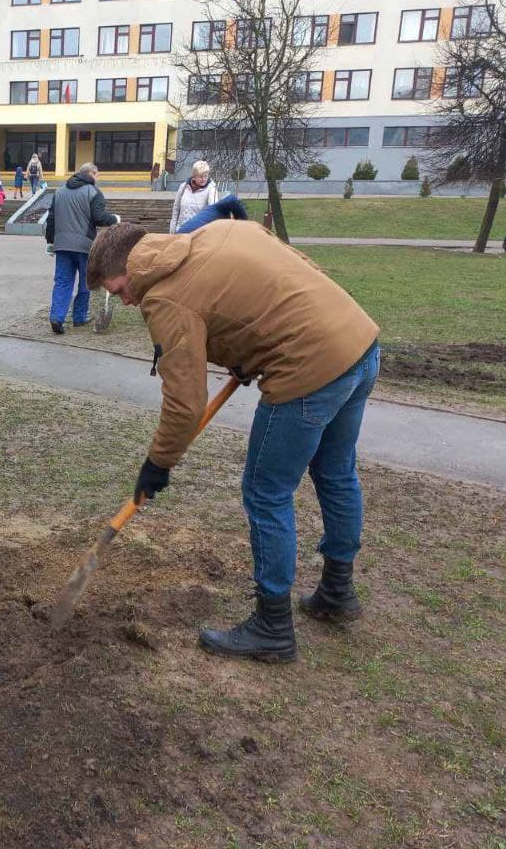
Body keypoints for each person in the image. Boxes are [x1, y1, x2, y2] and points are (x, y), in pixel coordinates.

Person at [86, 220, 381, 664]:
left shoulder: (164, 298)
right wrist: (248, 351)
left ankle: (272, 627)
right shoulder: (220, 232)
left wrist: (158, 464)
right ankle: (337, 591)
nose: (125, 301)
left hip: (309, 367)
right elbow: (292, 274)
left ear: (132, 265)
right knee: (336, 473)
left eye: (121, 288)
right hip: (358, 342)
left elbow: (185, 404)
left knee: (266, 493)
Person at [43, 162, 119, 334]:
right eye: (97, 174)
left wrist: (50, 241)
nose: (97, 178)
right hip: (85, 246)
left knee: (62, 281)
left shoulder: (60, 191)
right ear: (92, 174)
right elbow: (99, 218)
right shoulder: (93, 192)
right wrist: (114, 219)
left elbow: (51, 219)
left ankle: (57, 317)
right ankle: (79, 317)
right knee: (85, 282)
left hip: (62, 245)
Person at [169, 160, 218, 233]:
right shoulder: (183, 187)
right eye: (200, 177)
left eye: (205, 176)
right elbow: (176, 208)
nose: (204, 179)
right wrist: (172, 229)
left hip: (198, 233)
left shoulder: (211, 190)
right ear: (194, 176)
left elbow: (213, 212)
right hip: (180, 231)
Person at [176, 194, 248, 234]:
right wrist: (243, 220)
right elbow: (232, 199)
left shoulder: (212, 212)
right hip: (191, 234)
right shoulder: (220, 208)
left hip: (182, 233)